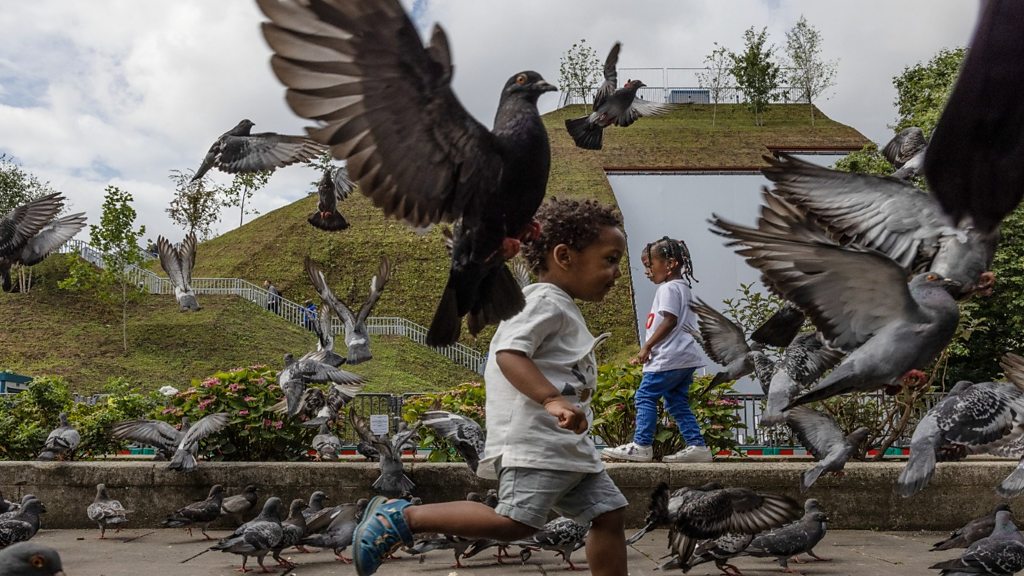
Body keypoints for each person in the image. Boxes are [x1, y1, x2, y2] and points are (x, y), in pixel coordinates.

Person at [349, 199, 629, 576]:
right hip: (537, 445)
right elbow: (510, 354)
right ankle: (401, 517)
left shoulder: (557, 304)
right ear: (564, 255)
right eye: (610, 259)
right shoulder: (544, 301)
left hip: (565, 449)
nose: (616, 273)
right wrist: (551, 400)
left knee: (609, 515)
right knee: (515, 523)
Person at [602, 236, 711, 463]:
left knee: (645, 396)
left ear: (670, 264)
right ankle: (697, 446)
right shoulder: (683, 288)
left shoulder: (668, 289)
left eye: (649, 265)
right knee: (676, 402)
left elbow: (669, 320)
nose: (647, 271)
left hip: (667, 358)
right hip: (684, 358)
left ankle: (641, 445)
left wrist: (647, 347)